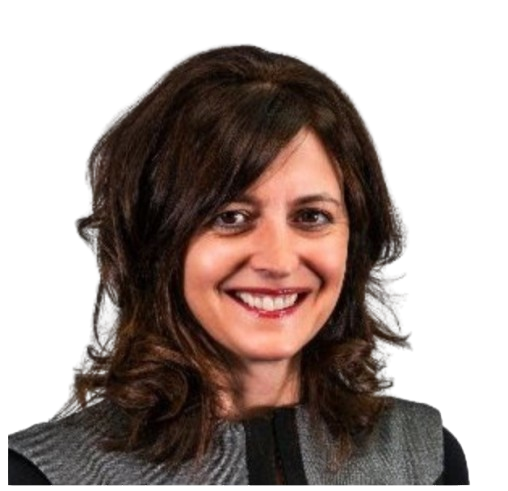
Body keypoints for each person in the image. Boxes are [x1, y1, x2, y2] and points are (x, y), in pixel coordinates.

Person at [7, 43, 470, 486]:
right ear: (157, 239)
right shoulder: (41, 475)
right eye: (230, 217)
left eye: (311, 216)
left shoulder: (426, 462)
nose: (278, 261)